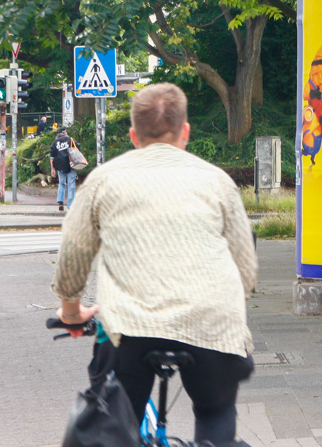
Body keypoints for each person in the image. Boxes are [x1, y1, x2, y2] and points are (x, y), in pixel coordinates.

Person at [51, 83, 257, 447]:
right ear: (185, 132)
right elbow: (245, 268)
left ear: (133, 136)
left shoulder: (103, 180)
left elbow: (72, 259)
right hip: (211, 324)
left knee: (113, 419)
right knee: (215, 411)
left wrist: (71, 313)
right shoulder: (218, 182)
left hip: (130, 328)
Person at [49, 128, 78, 211]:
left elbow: (52, 157)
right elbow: (77, 151)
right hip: (71, 165)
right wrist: (78, 165)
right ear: (65, 132)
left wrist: (52, 169)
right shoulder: (71, 140)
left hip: (60, 166)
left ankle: (60, 202)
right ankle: (70, 205)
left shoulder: (55, 143)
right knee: (71, 184)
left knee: (61, 183)